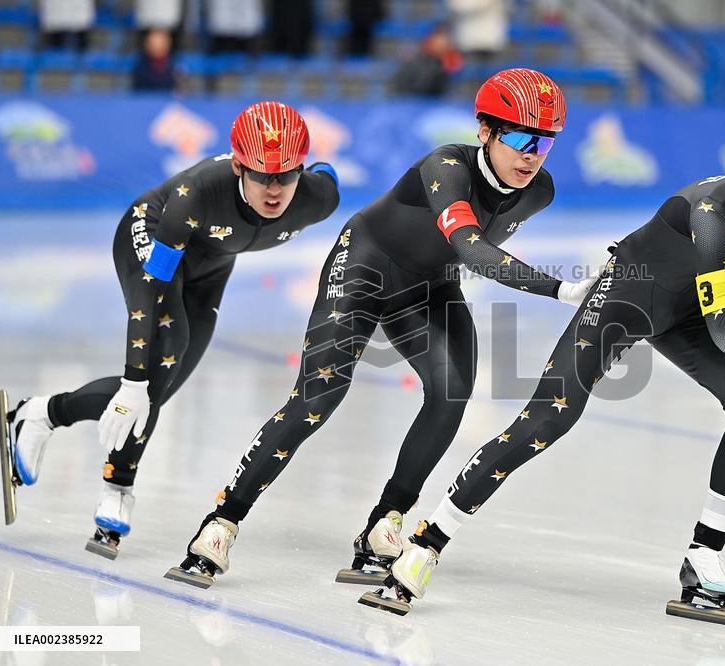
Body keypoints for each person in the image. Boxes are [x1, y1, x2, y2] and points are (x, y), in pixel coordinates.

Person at [368, 115, 725, 625]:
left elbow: (721, 320)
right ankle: (428, 541)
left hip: (692, 310)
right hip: (630, 294)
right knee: (549, 418)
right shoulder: (715, 215)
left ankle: (703, 554)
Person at [164, 68, 599, 589]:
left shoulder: (539, 191)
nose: (533, 155)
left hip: (429, 287)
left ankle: (384, 523)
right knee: (319, 396)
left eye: (545, 142)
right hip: (365, 269)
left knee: (452, 392)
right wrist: (559, 289)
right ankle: (221, 522)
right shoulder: (446, 167)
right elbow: (471, 249)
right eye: (522, 138)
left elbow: (455, 257)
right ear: (485, 130)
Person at [2, 101, 340, 559]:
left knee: (161, 387)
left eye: (287, 174)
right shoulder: (196, 194)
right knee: (161, 355)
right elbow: (151, 287)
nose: (275, 188)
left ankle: (40, 413)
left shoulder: (316, 198)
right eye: (261, 175)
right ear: (239, 165)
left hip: (210, 269)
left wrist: (143, 387)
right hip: (154, 240)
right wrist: (131, 378)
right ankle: (117, 487)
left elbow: (327, 176)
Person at [132, 28, 179, 93]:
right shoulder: (139, 65)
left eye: (161, 43)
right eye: (153, 43)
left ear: (168, 44)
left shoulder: (176, 64)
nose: (157, 46)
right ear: (147, 45)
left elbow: (182, 90)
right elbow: (137, 90)